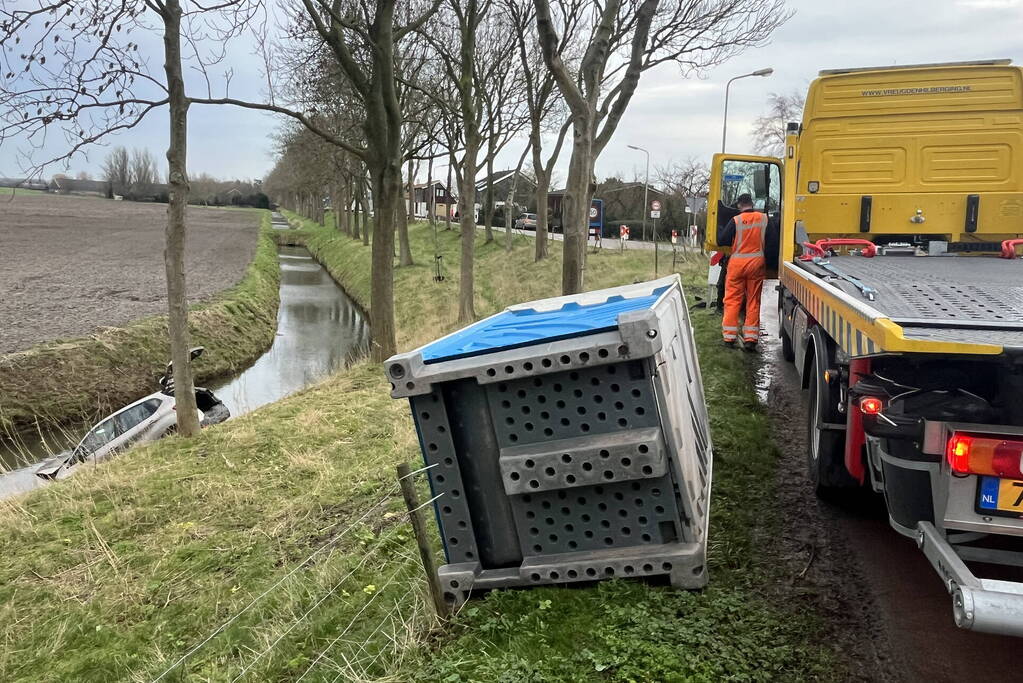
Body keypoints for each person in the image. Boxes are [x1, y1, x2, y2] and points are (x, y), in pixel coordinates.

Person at [717, 193, 768, 351]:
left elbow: (722, 240)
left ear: (739, 205)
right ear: (752, 203)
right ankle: (750, 339)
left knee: (732, 300)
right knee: (753, 301)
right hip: (756, 264)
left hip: (737, 265)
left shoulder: (736, 220)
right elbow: (773, 242)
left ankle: (729, 338)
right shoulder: (764, 218)